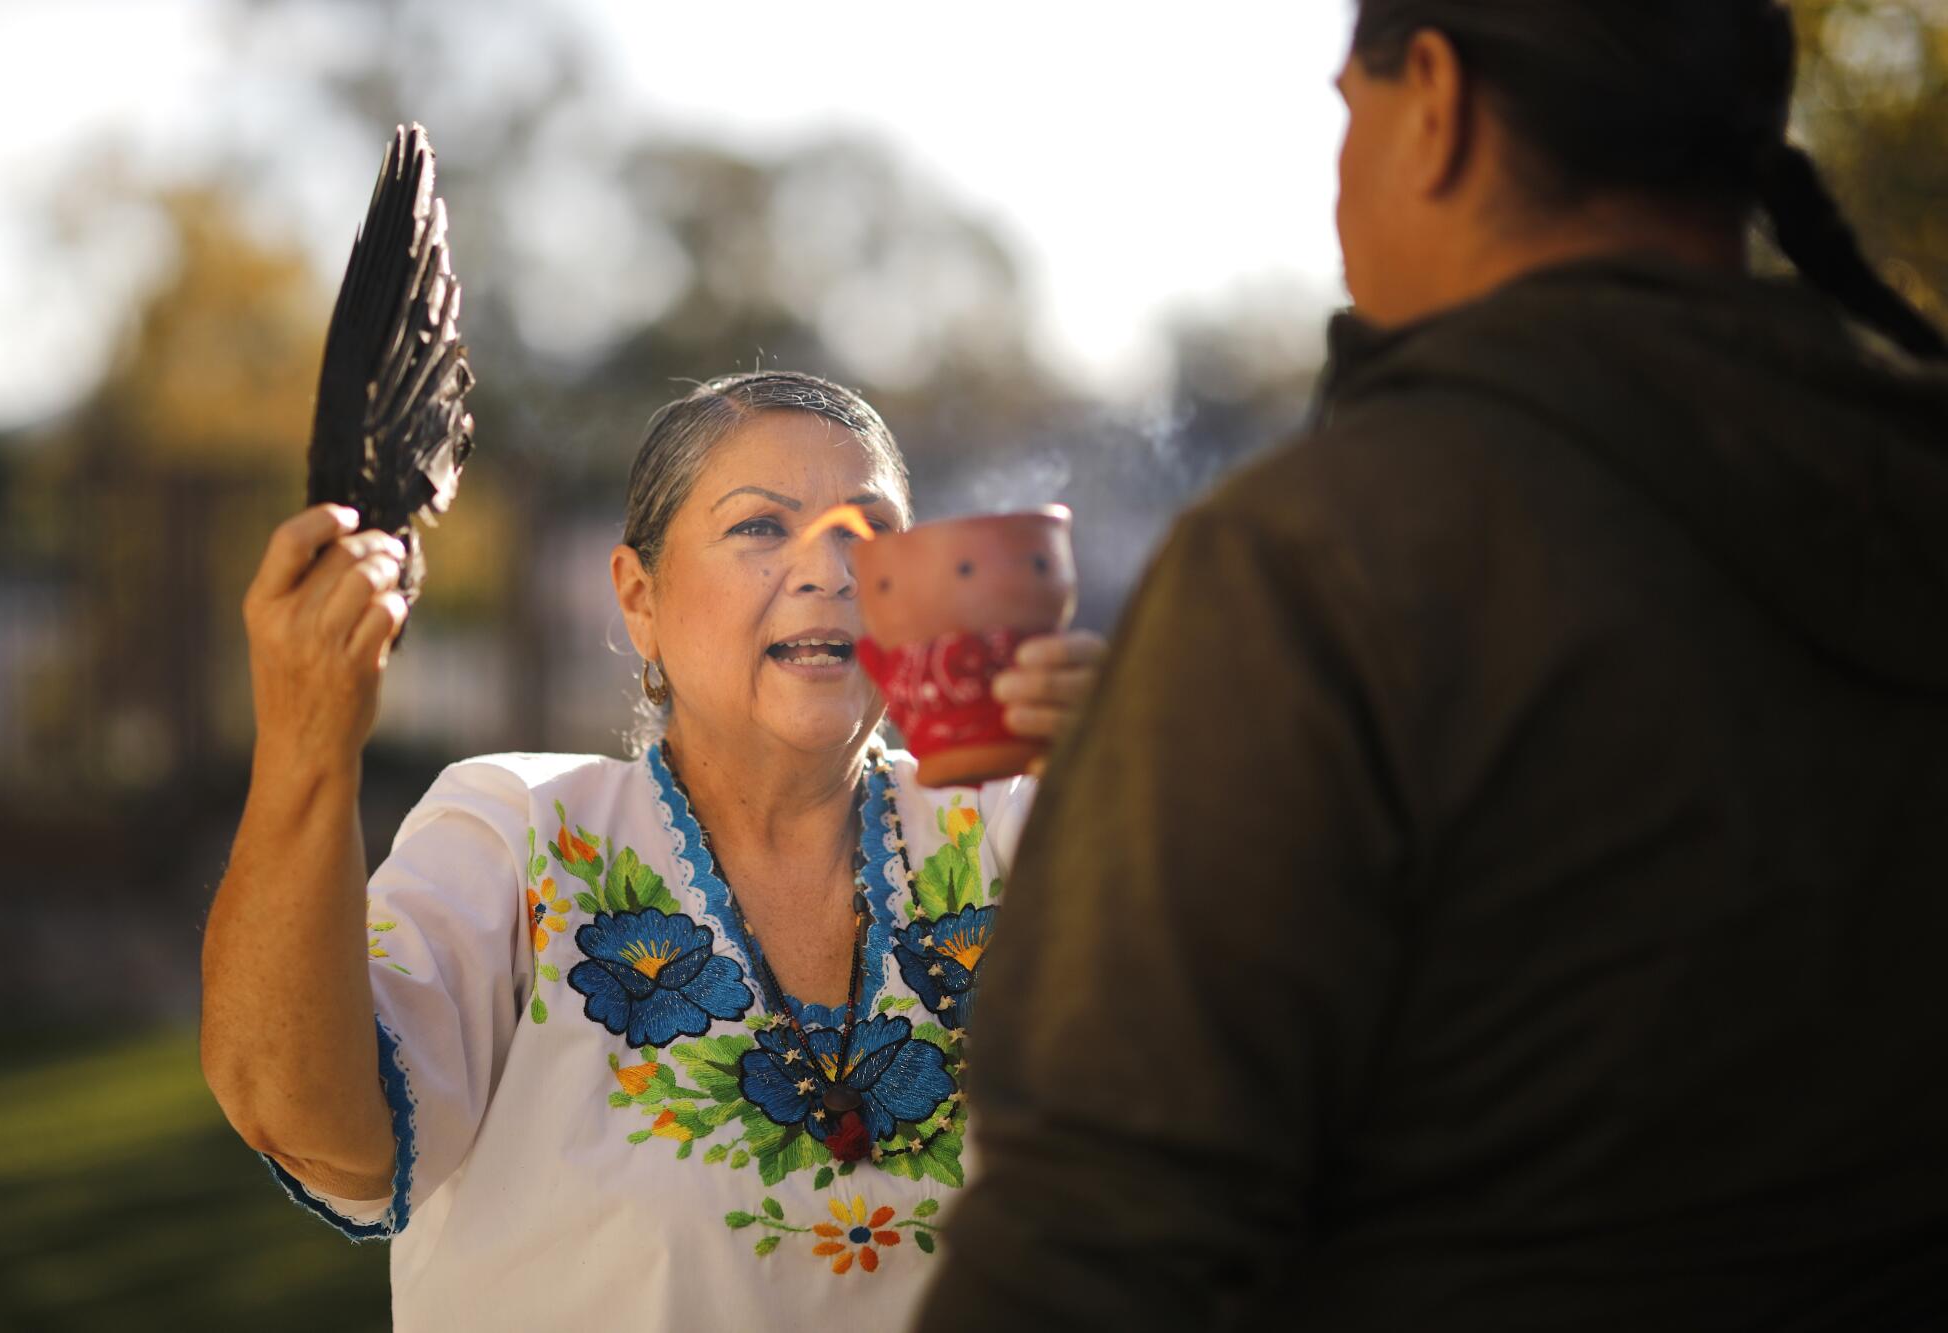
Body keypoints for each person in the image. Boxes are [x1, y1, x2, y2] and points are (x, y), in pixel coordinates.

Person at [920, 3, 1948, 1330]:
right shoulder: (1906, 487)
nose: (1339, 169)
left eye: (1349, 108)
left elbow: (1095, 1232)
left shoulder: (1320, 559)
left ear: (1438, 105)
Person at [200, 371, 1104, 1329]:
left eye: (867, 531)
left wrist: (1144, 771)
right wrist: (307, 744)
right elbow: (311, 1123)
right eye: (761, 526)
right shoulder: (519, 835)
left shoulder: (1007, 825)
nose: (829, 569)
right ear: (641, 598)